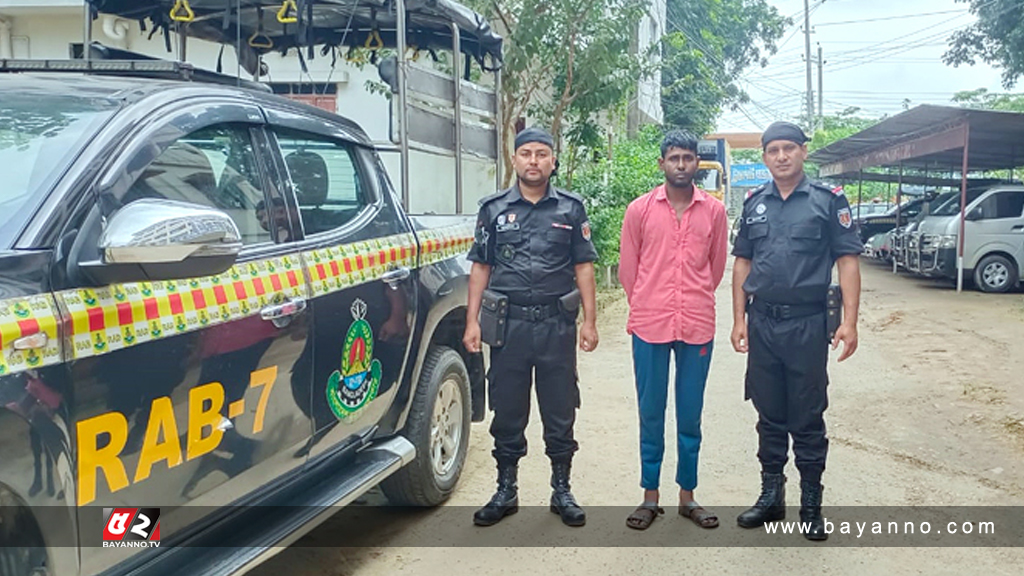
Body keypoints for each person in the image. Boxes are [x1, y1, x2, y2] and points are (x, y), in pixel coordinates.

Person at [730, 121, 862, 540]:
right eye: (773, 150)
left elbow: (847, 261)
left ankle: (810, 504)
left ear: (804, 152)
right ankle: (771, 496)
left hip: (807, 324)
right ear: (765, 156)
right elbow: (742, 264)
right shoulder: (754, 203)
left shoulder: (828, 200)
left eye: (789, 148)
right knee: (768, 413)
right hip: (763, 322)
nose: (781, 156)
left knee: (806, 415)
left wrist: (850, 321)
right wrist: (738, 319)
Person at [463, 127, 599, 527]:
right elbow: (481, 268)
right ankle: (506, 490)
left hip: (557, 325)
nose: (534, 161)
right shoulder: (493, 210)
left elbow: (584, 267)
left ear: (552, 161)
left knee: (560, 409)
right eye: (526, 154)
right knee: (507, 410)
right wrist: (472, 321)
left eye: (542, 154)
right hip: (509, 328)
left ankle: (562, 489)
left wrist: (589, 322)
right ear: (515, 160)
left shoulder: (571, 209)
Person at [618, 130, 729, 531]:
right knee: (651, 412)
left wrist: (690, 298)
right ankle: (650, 496)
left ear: (697, 163)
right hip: (649, 323)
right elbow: (628, 270)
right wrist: (650, 300)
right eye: (674, 158)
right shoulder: (640, 210)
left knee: (690, 414)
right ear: (662, 163)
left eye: (688, 157)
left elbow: (715, 269)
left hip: (697, 324)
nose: (681, 164)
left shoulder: (713, 213)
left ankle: (688, 496)